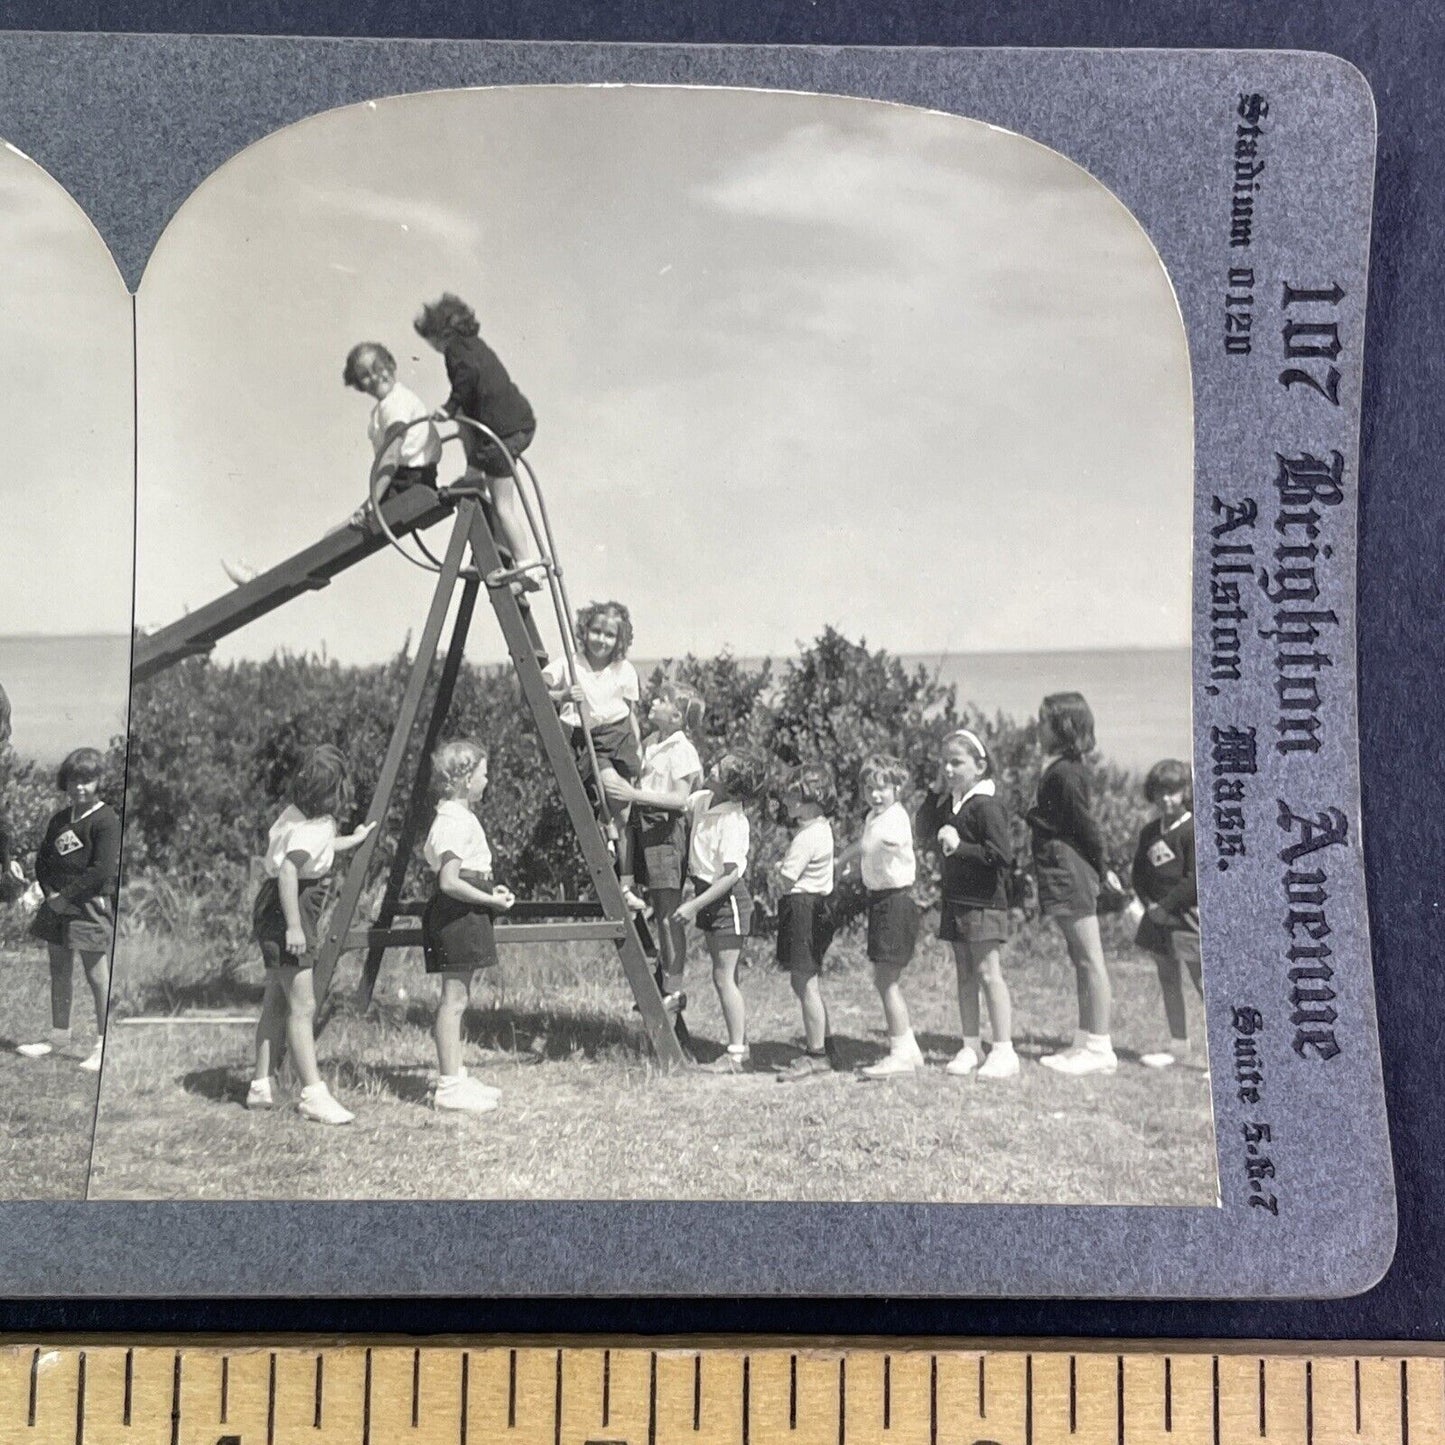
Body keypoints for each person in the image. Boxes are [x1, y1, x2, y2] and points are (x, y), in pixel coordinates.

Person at [246, 744, 375, 1124]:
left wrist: (351, 840)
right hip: (291, 909)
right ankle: (313, 1094)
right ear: (336, 793)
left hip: (270, 906)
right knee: (303, 1007)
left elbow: (313, 850)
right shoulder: (315, 829)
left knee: (276, 1000)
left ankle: (260, 1084)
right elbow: (290, 870)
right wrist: (294, 927)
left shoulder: (295, 818)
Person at [630, 750, 763, 1075]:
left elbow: (731, 876)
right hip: (707, 896)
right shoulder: (704, 799)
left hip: (726, 901)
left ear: (731, 787)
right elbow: (676, 802)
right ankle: (735, 1044)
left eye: (719, 768)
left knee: (724, 977)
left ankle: (736, 1054)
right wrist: (631, 792)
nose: (711, 765)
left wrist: (692, 905)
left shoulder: (733, 821)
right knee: (722, 977)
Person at [1027, 691, 1125, 1076]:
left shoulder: (1067, 773)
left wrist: (1103, 870)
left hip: (1072, 869)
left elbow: (1086, 827)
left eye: (1043, 721)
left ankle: (1100, 1048)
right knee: (1079, 958)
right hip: (1063, 867)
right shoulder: (1061, 768)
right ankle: (1085, 1040)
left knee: (1090, 959)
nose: (1038, 727)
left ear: (1063, 727)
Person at [414, 292, 541, 582]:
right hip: (519, 424)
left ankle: (528, 565)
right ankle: (473, 475)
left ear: (440, 334)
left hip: (501, 435)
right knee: (466, 421)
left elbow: (466, 380)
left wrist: (447, 408)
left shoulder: (455, 352)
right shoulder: (476, 346)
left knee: (503, 505)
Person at [916, 729, 1018, 1080]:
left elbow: (1002, 855)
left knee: (989, 973)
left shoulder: (986, 805)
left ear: (980, 765)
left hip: (984, 902)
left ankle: (1004, 1050)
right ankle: (971, 1045)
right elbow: (923, 828)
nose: (948, 769)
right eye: (944, 762)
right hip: (956, 899)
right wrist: (933, 792)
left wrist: (960, 847)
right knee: (964, 974)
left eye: (956, 762)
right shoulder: (952, 802)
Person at [420, 739, 515, 1113]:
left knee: (458, 998)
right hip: (457, 914)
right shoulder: (453, 821)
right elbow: (449, 881)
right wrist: (489, 899)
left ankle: (455, 1076)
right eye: (483, 774)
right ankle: (448, 1086)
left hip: (465, 910)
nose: (487, 780)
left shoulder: (458, 817)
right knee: (453, 1001)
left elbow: (467, 873)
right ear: (463, 780)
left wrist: (491, 890)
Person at [16, 748, 121, 1071]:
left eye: (88, 780)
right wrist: (50, 894)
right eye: (75, 779)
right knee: (58, 969)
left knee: (96, 975)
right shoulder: (60, 819)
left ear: (99, 781)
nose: (80, 787)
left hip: (88, 905)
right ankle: (58, 1035)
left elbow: (102, 870)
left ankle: (104, 1045)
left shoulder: (106, 820)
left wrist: (68, 896)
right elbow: (43, 861)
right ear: (66, 782)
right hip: (55, 904)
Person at [543, 601, 643, 904]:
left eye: (610, 635)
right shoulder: (569, 664)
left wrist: (639, 751)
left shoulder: (624, 669)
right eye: (596, 631)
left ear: (620, 639)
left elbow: (631, 713)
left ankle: (626, 884)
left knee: (624, 813)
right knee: (611, 790)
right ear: (584, 631)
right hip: (590, 739)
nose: (601, 640)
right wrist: (561, 695)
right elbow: (533, 688)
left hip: (621, 736)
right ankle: (605, 829)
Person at [844, 753, 923, 1079]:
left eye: (883, 788)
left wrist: (835, 863)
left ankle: (900, 1053)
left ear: (897, 788)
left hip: (896, 902)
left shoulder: (895, 818)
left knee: (886, 980)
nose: (876, 795)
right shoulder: (874, 817)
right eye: (869, 789)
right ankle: (909, 1049)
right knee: (883, 978)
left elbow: (865, 849)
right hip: (880, 901)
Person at [630, 680, 705, 1014]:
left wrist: (632, 795)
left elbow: (678, 799)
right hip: (644, 824)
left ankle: (673, 989)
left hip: (664, 829)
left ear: (676, 716)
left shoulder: (681, 749)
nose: (654, 701)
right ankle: (662, 981)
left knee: (666, 914)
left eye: (661, 699)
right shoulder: (652, 741)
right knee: (650, 907)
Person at [1130, 758, 1203, 1069]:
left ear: (1185, 790)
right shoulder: (1150, 832)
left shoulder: (1193, 829)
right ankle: (1178, 1046)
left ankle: (1222, 1058)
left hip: (1186, 917)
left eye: (1172, 792)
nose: (1166, 799)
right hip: (1157, 919)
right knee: (1168, 978)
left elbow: (1195, 878)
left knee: (1203, 983)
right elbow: (1138, 874)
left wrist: (1167, 906)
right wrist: (1149, 906)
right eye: (1160, 792)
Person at [772, 762, 839, 1082]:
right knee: (803, 980)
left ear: (810, 799)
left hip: (802, 907)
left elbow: (786, 879)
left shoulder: (807, 836)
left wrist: (777, 870)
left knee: (805, 981)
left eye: (792, 795)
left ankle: (817, 1055)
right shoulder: (821, 829)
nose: (785, 800)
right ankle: (824, 1042)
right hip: (813, 906)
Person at [343, 341, 443, 501]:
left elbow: (391, 455)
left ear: (391, 365)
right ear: (358, 385)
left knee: (370, 518)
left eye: (379, 368)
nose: (374, 377)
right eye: (365, 375)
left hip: (410, 478)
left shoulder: (395, 402)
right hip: (414, 476)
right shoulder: (385, 406)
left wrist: (372, 502)